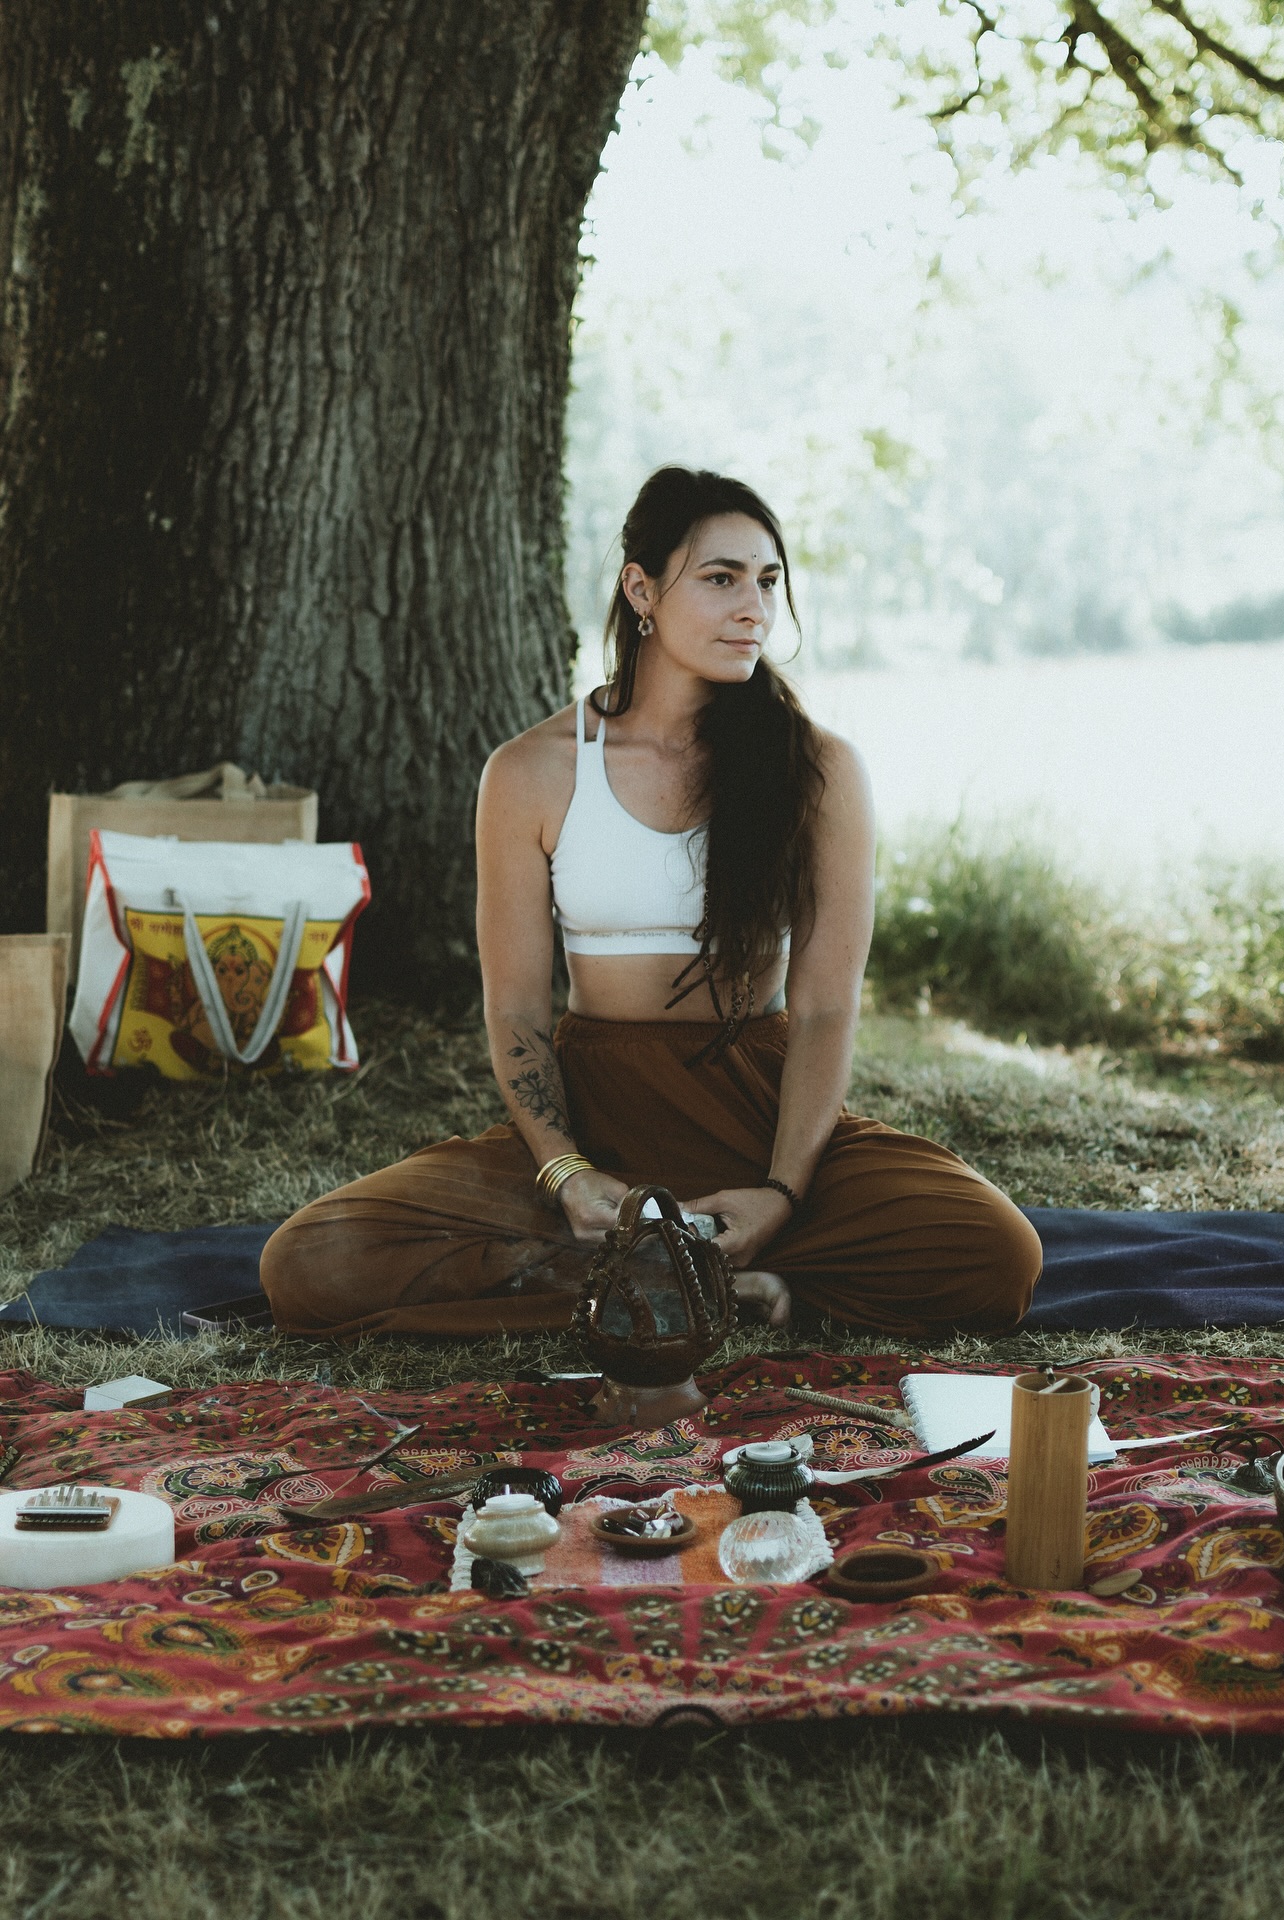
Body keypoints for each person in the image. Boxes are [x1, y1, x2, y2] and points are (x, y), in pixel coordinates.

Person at [259, 466, 1041, 1345]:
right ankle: (674, 1277)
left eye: (768, 580)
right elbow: (517, 1008)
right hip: (598, 1113)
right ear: (642, 589)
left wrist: (783, 1193)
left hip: (763, 1105)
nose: (755, 608)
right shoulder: (533, 771)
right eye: (721, 578)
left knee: (995, 1254)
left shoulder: (817, 769)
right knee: (309, 1263)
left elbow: (824, 1009)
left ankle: (703, 1270)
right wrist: (563, 1172)